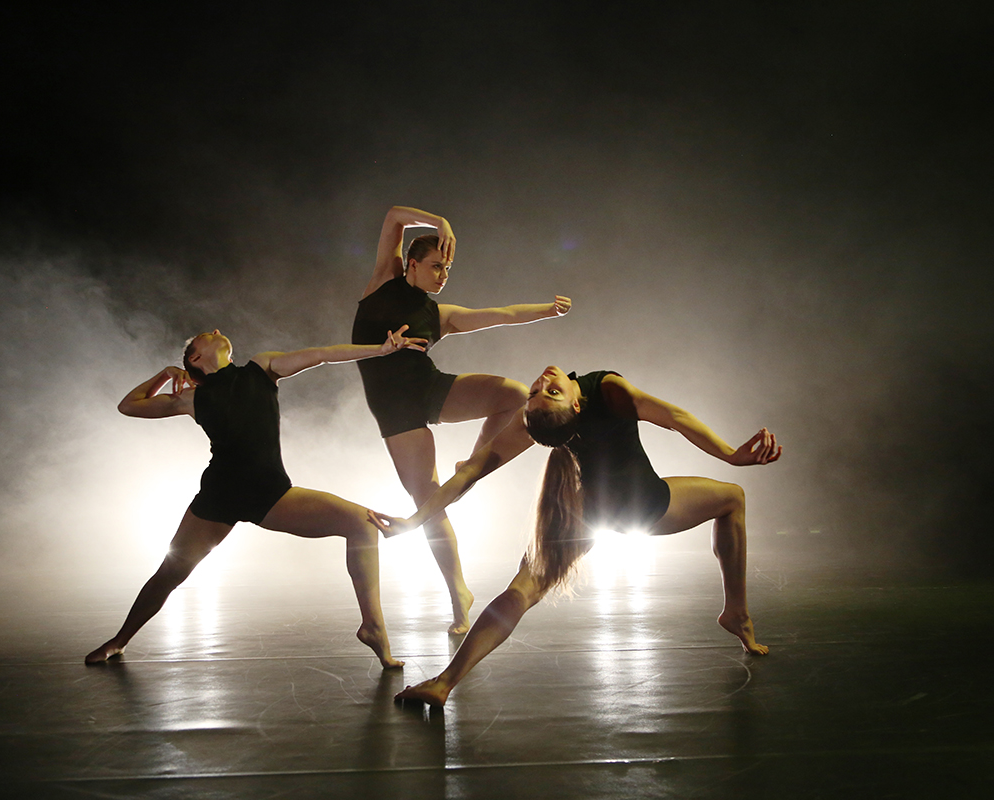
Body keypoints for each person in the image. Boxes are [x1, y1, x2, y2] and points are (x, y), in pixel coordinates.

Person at [368, 366, 782, 705]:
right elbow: (673, 418)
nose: (543, 384)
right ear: (577, 403)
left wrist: (416, 520)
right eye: (545, 393)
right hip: (642, 508)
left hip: (582, 514)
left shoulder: (536, 420)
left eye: (542, 391)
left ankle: (444, 683)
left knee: (522, 591)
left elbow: (472, 470)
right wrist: (730, 455)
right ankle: (737, 614)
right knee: (733, 498)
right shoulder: (605, 390)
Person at [85, 326, 427, 669]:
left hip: (270, 493)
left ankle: (372, 626)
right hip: (220, 495)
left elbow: (323, 353)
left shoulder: (261, 368)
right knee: (170, 574)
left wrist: (379, 350)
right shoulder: (192, 397)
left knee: (362, 524)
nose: (217, 330)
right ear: (195, 357)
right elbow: (128, 406)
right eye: (207, 334)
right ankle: (119, 641)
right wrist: (165, 374)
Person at [353, 206, 571, 634]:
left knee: (513, 395)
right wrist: (441, 223)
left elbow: (501, 315)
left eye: (447, 268)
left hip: (429, 390)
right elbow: (395, 215)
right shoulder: (383, 280)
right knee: (430, 502)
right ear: (410, 265)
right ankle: (459, 593)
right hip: (394, 409)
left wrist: (547, 310)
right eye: (436, 266)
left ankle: (472, 467)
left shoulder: (440, 314)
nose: (443, 274)